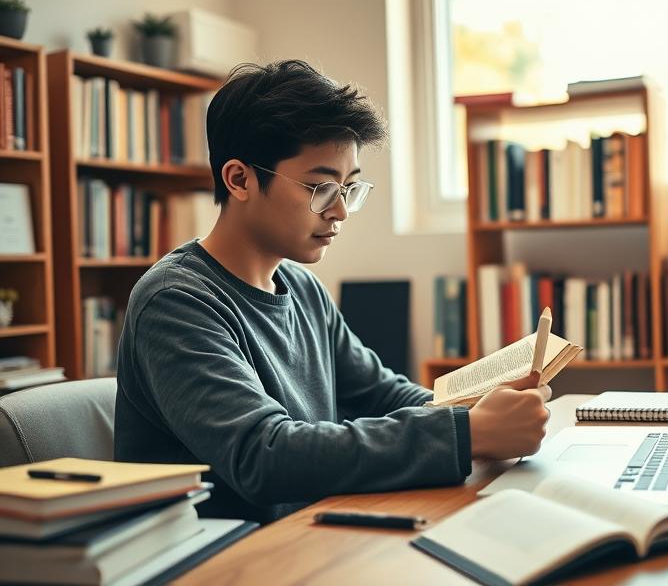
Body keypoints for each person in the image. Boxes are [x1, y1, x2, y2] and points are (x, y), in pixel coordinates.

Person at [114, 60, 551, 523]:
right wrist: (467, 434)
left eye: (349, 187)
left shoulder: (302, 287)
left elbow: (381, 393)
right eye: (322, 186)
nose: (340, 211)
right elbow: (263, 455)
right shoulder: (177, 301)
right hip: (223, 560)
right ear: (239, 179)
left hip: (310, 532)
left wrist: (474, 407)